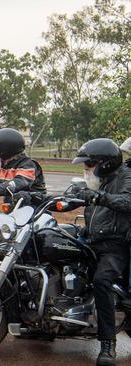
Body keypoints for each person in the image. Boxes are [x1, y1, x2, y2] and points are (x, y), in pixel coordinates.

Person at [70, 139, 131, 366]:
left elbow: (127, 201)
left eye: (89, 164)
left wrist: (98, 197)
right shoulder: (99, 180)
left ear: (104, 163)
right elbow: (83, 199)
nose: (86, 169)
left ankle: (108, 344)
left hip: (115, 245)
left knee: (102, 281)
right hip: (92, 239)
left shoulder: (126, 177)